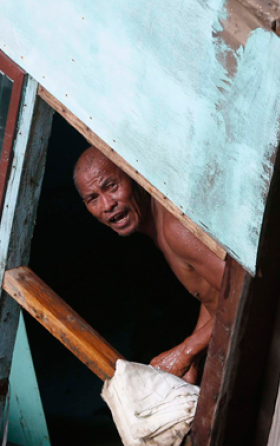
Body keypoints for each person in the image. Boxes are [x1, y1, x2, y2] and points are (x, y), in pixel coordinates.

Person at [73, 147, 224, 384]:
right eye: (93, 198)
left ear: (134, 174)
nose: (107, 204)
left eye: (111, 186)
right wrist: (193, 358)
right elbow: (214, 295)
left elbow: (243, 290)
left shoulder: (175, 228)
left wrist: (186, 352)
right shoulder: (162, 232)